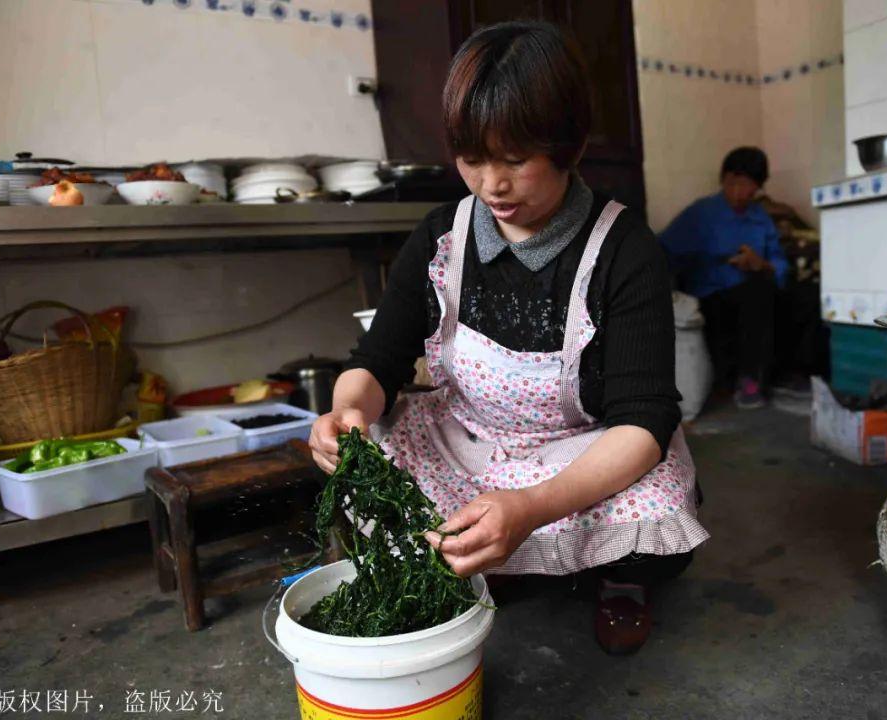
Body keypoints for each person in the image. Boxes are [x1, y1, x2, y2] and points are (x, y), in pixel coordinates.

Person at [308, 21, 707, 655]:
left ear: (570, 146)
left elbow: (643, 419)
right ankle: (505, 562)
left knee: (658, 507)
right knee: (381, 456)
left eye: (515, 160)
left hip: (581, 453)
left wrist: (532, 507)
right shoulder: (442, 236)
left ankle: (618, 583)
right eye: (472, 159)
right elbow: (377, 361)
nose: (491, 184)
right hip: (469, 440)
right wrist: (347, 410)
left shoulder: (625, 249)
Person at [659, 147, 789, 409]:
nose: (739, 192)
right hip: (710, 296)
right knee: (756, 294)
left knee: (788, 294)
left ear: (757, 188)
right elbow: (662, 249)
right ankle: (749, 379)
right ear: (724, 180)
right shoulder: (701, 214)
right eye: (734, 183)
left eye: (748, 186)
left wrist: (760, 264)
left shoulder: (760, 218)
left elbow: (779, 262)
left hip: (752, 289)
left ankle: (764, 378)